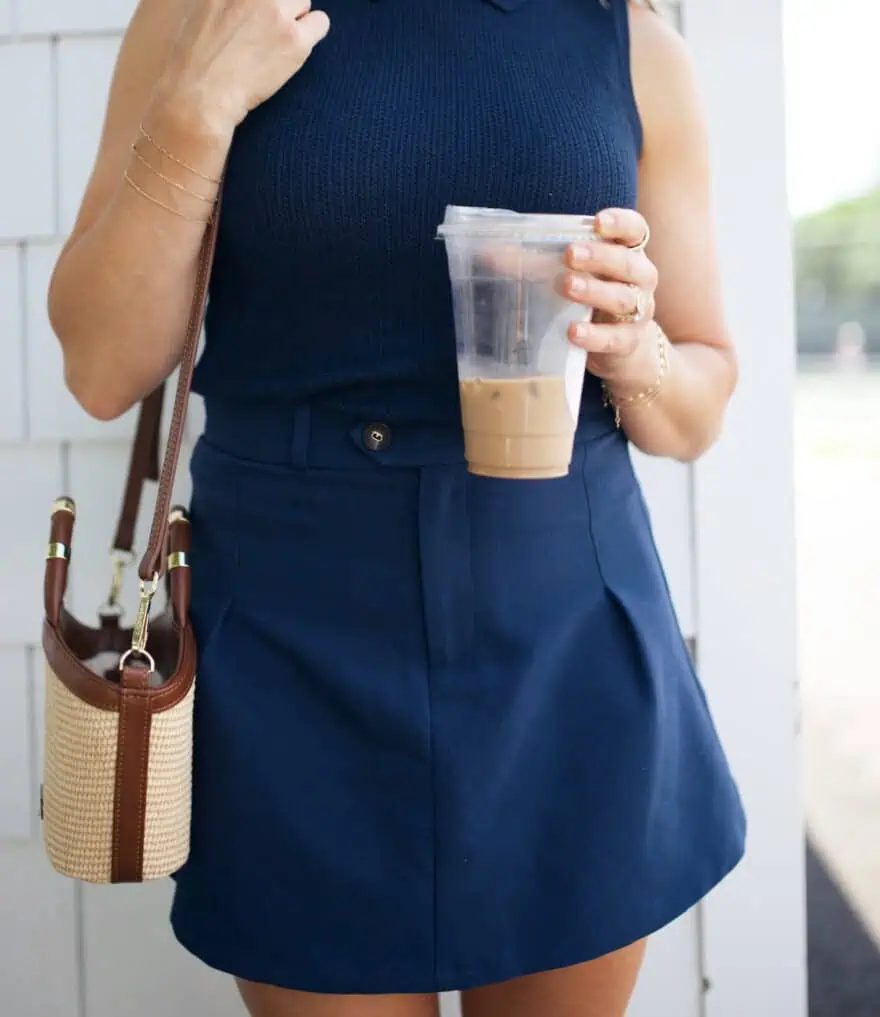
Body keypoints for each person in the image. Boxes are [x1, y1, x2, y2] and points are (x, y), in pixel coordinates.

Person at [47, 0, 746, 1014]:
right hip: (291, 640)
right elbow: (102, 369)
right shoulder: (203, 15)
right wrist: (195, 112)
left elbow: (697, 408)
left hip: (563, 637)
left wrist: (635, 349)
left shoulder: (628, 38)